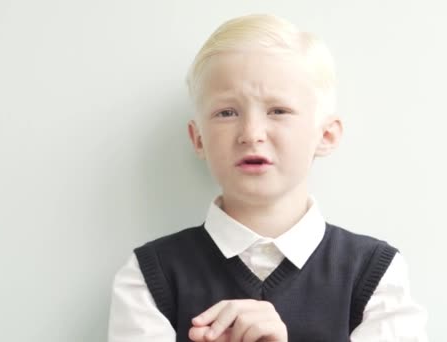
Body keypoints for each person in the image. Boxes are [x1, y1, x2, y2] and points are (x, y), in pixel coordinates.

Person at [108, 13, 428, 342]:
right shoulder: (148, 277)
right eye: (226, 113)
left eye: (278, 110)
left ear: (326, 135)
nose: (251, 133)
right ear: (198, 138)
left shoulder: (376, 275)